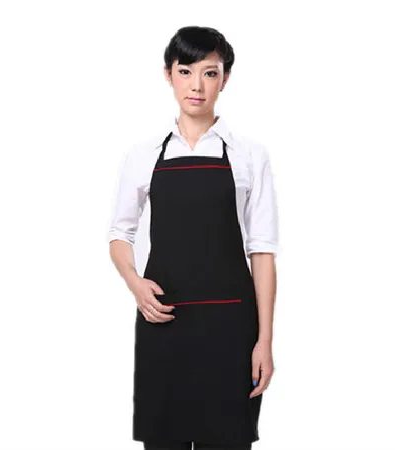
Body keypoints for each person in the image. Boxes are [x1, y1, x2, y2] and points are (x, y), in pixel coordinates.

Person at [107, 25, 278, 450]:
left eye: (210, 73)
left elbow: (262, 252)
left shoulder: (249, 154)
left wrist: (264, 341)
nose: (197, 85)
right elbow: (119, 233)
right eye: (185, 71)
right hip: (163, 321)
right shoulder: (144, 154)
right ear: (169, 75)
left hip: (231, 330)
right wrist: (134, 282)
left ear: (225, 79)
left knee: (228, 440)